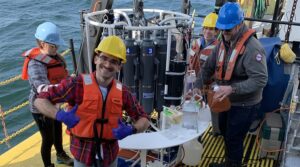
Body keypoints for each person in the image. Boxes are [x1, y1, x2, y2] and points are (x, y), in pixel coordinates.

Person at [34, 35, 150, 167]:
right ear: (96, 59)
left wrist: (132, 129)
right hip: (83, 155)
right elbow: (40, 100)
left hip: (110, 156)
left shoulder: (123, 92)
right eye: (104, 58)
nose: (107, 64)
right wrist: (59, 115)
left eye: (113, 61)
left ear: (119, 67)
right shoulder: (77, 84)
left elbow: (144, 118)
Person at [195, 2, 268, 167]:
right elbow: (208, 68)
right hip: (226, 101)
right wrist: (195, 87)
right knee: (225, 131)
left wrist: (232, 88)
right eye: (221, 29)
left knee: (234, 137)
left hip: (245, 104)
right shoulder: (222, 43)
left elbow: (260, 79)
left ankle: (233, 164)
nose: (224, 33)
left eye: (228, 29)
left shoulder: (253, 49)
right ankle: (229, 162)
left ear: (239, 25)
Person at [21, 22, 73, 167]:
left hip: (55, 104)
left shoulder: (55, 58)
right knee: (48, 138)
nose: (57, 48)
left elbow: (63, 76)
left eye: (57, 45)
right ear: (42, 44)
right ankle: (48, 165)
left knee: (57, 131)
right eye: (53, 45)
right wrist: (66, 88)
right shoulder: (35, 64)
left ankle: (61, 154)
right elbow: (41, 88)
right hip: (41, 107)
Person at [188, 12, 221, 136]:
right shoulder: (195, 43)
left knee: (215, 109)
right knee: (194, 107)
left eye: (211, 29)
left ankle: (217, 131)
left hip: (210, 84)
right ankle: (196, 132)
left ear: (217, 32)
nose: (208, 31)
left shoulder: (219, 48)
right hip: (195, 82)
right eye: (206, 28)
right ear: (202, 29)